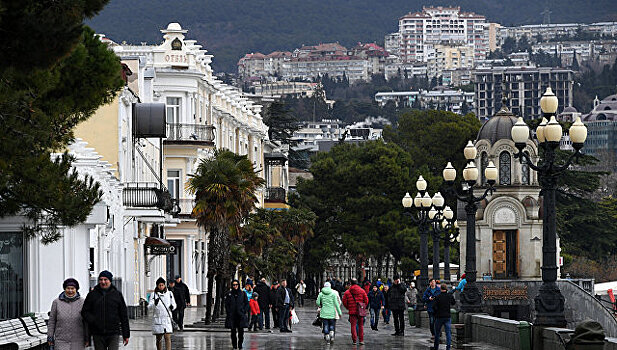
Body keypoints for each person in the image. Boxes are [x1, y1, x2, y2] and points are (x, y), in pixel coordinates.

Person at [81, 270, 130, 350]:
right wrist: (93, 320)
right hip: (98, 333)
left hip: (113, 332)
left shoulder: (117, 295)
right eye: (101, 279)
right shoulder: (92, 295)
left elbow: (123, 315)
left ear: (110, 281)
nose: (103, 282)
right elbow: (85, 312)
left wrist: (126, 334)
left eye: (105, 279)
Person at [48, 278, 88, 350]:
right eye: (68, 288)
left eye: (72, 288)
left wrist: (87, 337)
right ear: (64, 289)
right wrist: (50, 336)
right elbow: (52, 321)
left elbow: (86, 321)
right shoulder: (56, 302)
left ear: (76, 289)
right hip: (61, 340)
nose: (70, 291)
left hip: (78, 340)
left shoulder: (83, 302)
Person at [148, 277, 177, 350]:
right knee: (159, 338)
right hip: (158, 319)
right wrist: (155, 304)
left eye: (162, 285)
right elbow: (149, 307)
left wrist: (172, 307)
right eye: (159, 285)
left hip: (167, 318)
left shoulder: (169, 294)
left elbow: (174, 305)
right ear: (157, 285)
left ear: (165, 285)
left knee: (167, 337)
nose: (161, 287)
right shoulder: (154, 295)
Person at [342, 278, 369, 346]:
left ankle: (354, 340)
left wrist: (348, 307)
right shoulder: (362, 291)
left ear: (351, 283)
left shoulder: (347, 292)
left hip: (352, 311)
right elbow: (366, 300)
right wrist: (363, 306)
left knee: (353, 326)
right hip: (360, 310)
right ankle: (361, 340)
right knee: (361, 325)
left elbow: (344, 301)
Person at [225, 279, 249, 350]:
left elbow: (246, 304)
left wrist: (244, 311)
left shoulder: (243, 293)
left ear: (238, 285)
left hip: (240, 315)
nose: (235, 286)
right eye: (234, 285)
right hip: (232, 316)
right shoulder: (229, 294)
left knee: (241, 332)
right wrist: (229, 312)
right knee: (233, 332)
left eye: (236, 285)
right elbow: (226, 304)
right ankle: (234, 345)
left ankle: (240, 344)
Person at [432, 283, 456, 350]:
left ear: (440, 289)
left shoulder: (437, 296)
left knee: (437, 332)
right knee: (448, 333)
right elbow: (453, 302)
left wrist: (436, 312)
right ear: (446, 289)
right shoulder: (449, 296)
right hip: (447, 317)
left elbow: (434, 307)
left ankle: (436, 346)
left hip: (439, 317)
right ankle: (448, 347)